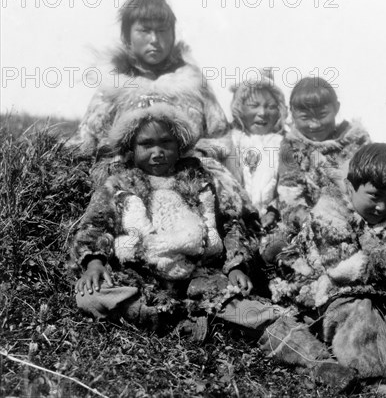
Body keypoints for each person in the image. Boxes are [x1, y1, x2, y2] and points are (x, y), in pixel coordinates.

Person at [71, 94, 262, 336]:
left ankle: (309, 353)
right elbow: (95, 225)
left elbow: (231, 223)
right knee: (89, 297)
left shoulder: (200, 179)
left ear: (180, 144)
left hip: (199, 274)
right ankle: (170, 319)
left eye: (166, 142)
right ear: (131, 147)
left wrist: (236, 266)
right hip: (139, 277)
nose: (158, 152)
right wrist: (94, 263)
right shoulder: (118, 184)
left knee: (248, 306)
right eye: (146, 144)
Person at [268, 143, 386, 398]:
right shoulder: (329, 213)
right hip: (331, 295)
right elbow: (336, 267)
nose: (384, 207)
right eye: (374, 196)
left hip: (385, 297)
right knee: (361, 310)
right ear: (351, 188)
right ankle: (372, 381)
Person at [69, 0, 229, 185]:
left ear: (173, 34)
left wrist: (196, 156)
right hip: (125, 187)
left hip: (190, 183)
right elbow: (84, 142)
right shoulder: (112, 87)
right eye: (144, 30)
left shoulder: (194, 85)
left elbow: (222, 138)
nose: (154, 39)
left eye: (162, 30)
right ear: (127, 36)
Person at [260, 77, 370, 263]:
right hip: (311, 221)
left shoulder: (356, 140)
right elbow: (290, 196)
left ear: (336, 107)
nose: (315, 125)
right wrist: (313, 222)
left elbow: (372, 182)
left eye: (322, 115)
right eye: (305, 118)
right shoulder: (292, 146)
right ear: (292, 114)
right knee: (275, 249)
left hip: (357, 216)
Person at [227, 70, 287, 227]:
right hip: (236, 222)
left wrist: (274, 211)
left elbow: (290, 187)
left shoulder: (285, 143)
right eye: (254, 105)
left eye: (271, 106)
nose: (262, 113)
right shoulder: (229, 141)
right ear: (239, 108)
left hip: (274, 223)